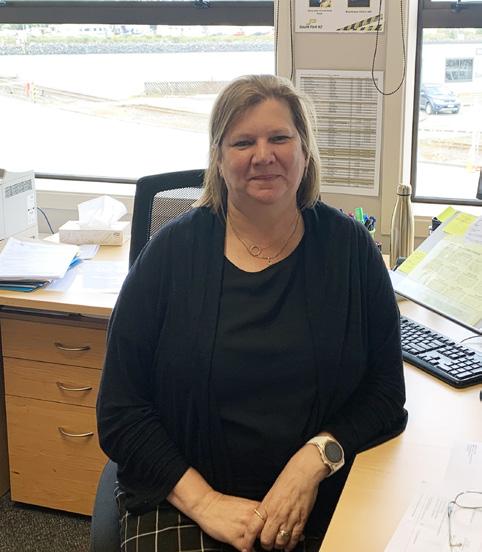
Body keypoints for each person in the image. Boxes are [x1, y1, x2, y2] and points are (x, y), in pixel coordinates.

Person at [97, 74, 407, 552]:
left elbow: (385, 393)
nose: (264, 155)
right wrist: (207, 503)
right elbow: (121, 412)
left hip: (318, 493)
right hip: (184, 497)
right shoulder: (170, 256)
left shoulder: (351, 251)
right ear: (219, 160)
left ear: (305, 151)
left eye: (280, 138)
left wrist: (314, 460)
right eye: (243, 142)